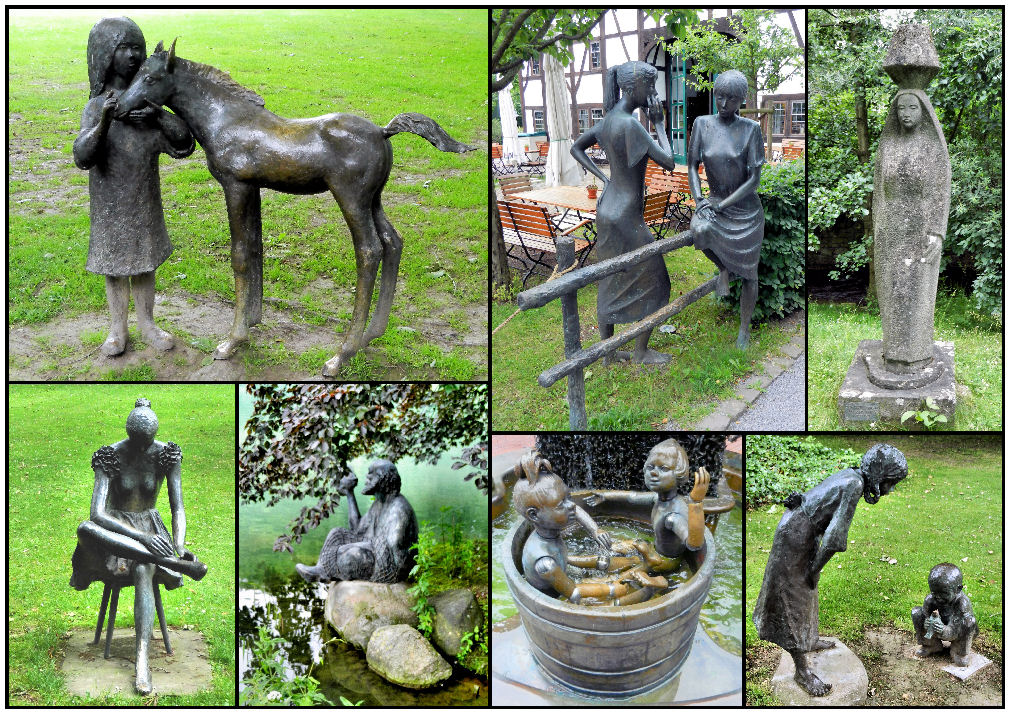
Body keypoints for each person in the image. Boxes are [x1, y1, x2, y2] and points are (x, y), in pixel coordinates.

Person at [73, 17, 194, 357]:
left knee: (144, 261)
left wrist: (158, 117)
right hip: (110, 201)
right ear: (105, 54)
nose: (131, 55)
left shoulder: (146, 102)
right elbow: (83, 156)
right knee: (113, 265)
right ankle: (117, 329)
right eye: (122, 48)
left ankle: (148, 323)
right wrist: (105, 121)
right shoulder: (96, 106)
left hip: (143, 197)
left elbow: (184, 142)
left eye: (136, 48)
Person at [71, 398, 207, 695]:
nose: (144, 448)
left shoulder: (165, 455)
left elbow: (178, 507)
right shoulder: (112, 455)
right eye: (138, 442)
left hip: (151, 529)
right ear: (130, 434)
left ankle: (142, 657)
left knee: (144, 567)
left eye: (149, 442)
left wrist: (180, 544)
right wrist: (141, 539)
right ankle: (171, 564)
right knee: (84, 528)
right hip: (115, 533)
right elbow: (97, 514)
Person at [752, 443, 908, 696]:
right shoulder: (855, 484)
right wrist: (814, 569)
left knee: (806, 594)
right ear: (880, 475)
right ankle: (802, 671)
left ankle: (809, 639)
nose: (889, 490)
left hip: (799, 530)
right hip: (796, 538)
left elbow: (818, 497)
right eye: (890, 482)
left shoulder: (852, 473)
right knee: (795, 600)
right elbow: (835, 538)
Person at [571, 61, 677, 365]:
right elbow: (669, 161)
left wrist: (604, 178)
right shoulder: (632, 125)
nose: (655, 92)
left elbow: (576, 147)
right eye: (651, 86)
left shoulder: (607, 121)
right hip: (627, 216)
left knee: (610, 275)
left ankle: (608, 353)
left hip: (606, 211)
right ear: (634, 88)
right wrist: (658, 124)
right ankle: (641, 352)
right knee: (658, 280)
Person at [512, 450, 656, 606]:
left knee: (603, 564)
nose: (572, 505)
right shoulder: (545, 563)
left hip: (564, 571)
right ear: (534, 515)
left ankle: (637, 562)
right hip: (557, 598)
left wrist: (595, 530)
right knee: (618, 595)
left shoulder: (546, 531)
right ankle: (647, 589)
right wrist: (611, 589)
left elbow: (576, 511)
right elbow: (574, 593)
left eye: (568, 497)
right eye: (561, 504)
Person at [687, 70, 765, 349]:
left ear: (741, 100)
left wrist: (724, 204)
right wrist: (700, 200)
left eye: (730, 98)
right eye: (719, 96)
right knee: (699, 231)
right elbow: (692, 166)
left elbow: (754, 180)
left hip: (745, 211)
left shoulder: (750, 130)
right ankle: (723, 269)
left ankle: (744, 329)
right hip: (713, 203)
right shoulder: (702, 124)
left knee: (750, 274)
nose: (723, 103)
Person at [295, 459, 419, 584]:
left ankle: (326, 570)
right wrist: (349, 493)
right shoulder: (379, 503)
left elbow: (395, 552)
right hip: (375, 551)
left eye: (371, 474)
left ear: (383, 479)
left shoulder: (399, 509)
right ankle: (321, 569)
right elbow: (357, 530)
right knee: (336, 534)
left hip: (389, 567)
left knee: (351, 554)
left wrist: (354, 547)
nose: (367, 477)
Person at [912, 563, 978, 667]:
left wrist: (943, 630)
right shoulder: (930, 600)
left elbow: (955, 630)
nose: (938, 597)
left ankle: (959, 652)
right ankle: (930, 645)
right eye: (934, 592)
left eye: (944, 593)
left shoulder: (962, 603)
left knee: (969, 622)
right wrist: (927, 624)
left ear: (958, 589)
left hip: (958, 632)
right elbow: (925, 616)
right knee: (916, 613)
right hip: (940, 627)